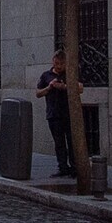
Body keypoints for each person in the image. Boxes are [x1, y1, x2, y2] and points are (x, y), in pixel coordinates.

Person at [36, 49, 75, 177]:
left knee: (71, 141)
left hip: (69, 113)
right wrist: (50, 87)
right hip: (54, 114)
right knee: (59, 143)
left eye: (61, 64)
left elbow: (80, 88)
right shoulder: (46, 75)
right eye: (56, 63)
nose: (58, 66)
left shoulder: (69, 74)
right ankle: (63, 167)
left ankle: (74, 168)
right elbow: (38, 93)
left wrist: (64, 87)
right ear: (53, 61)